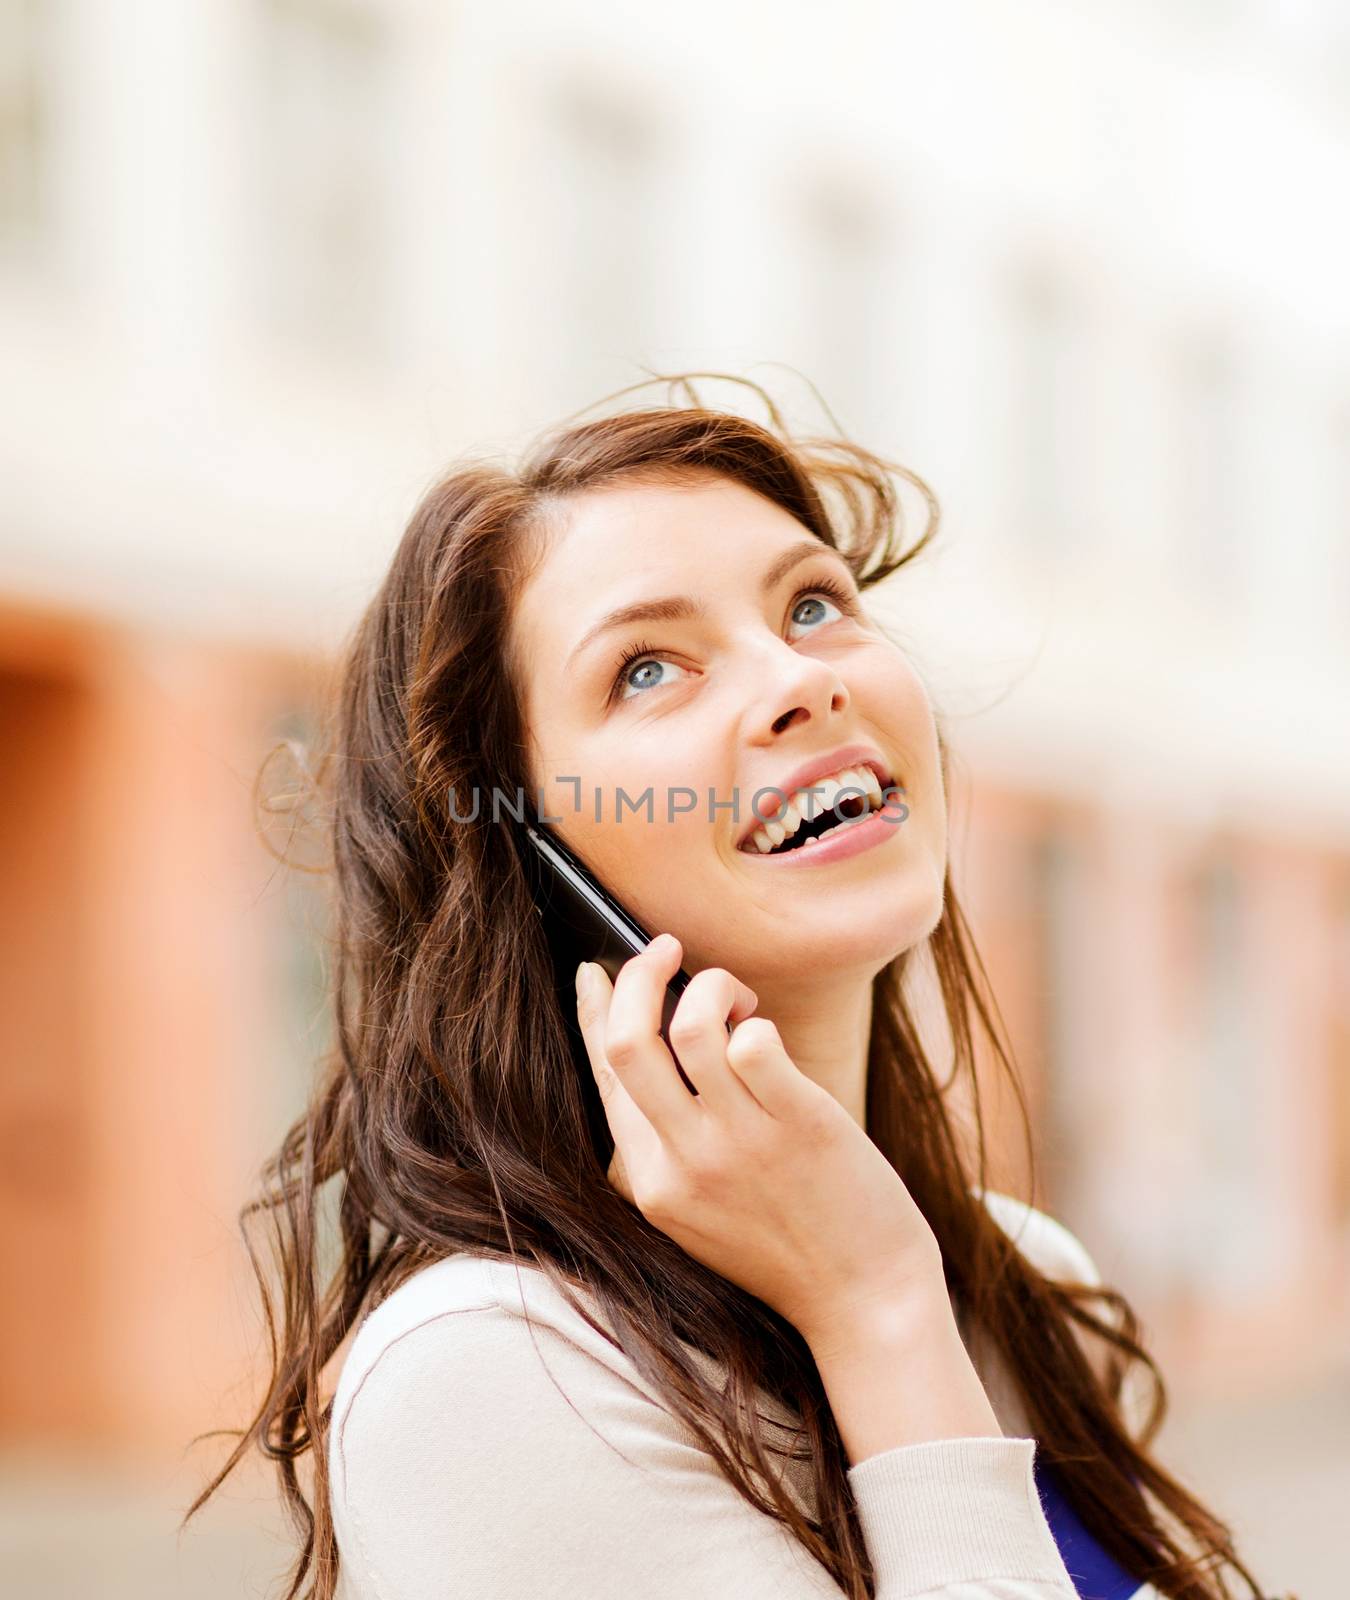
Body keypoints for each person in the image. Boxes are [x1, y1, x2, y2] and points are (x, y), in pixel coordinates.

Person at [183, 376, 1282, 1600]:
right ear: (530, 854)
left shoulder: (1033, 1284)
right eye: (648, 669)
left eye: (813, 604)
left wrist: (897, 1293)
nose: (801, 681)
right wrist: (875, 1309)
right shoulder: (492, 1373)